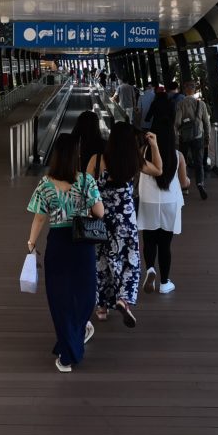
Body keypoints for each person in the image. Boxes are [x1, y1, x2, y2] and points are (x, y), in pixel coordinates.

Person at [26, 133, 104, 372]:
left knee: (59, 297)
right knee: (85, 294)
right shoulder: (87, 181)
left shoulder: (45, 183)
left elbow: (40, 218)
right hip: (83, 244)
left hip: (58, 244)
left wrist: (31, 243)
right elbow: (100, 212)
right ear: (75, 155)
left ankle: (67, 350)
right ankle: (74, 340)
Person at [87, 123, 162, 327]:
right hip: (125, 220)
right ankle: (123, 299)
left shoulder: (97, 160)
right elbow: (158, 170)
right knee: (130, 261)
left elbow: (86, 188)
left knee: (102, 261)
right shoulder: (133, 160)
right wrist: (154, 145)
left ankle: (102, 307)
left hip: (101, 218)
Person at [138, 125, 189, 294]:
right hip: (170, 203)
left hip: (148, 201)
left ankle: (150, 269)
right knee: (165, 245)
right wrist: (188, 181)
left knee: (149, 239)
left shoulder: (143, 151)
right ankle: (165, 283)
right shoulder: (178, 156)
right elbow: (184, 183)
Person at [175, 81, 211, 200]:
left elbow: (177, 122)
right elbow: (206, 122)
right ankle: (200, 183)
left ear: (185, 90)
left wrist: (177, 133)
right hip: (198, 136)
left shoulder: (181, 104)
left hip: (184, 137)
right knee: (198, 162)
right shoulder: (201, 104)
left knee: (183, 162)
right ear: (194, 90)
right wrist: (207, 136)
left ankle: (185, 187)